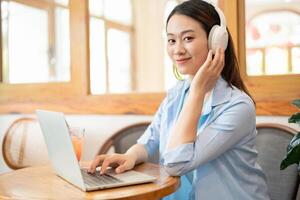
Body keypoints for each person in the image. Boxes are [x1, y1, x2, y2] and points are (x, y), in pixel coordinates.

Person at [89, 0, 270, 199]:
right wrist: (129, 156)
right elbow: (149, 141)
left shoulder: (237, 106)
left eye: (188, 38)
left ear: (216, 42)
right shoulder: (176, 94)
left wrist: (197, 91)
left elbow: (176, 164)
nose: (178, 50)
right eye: (172, 40)